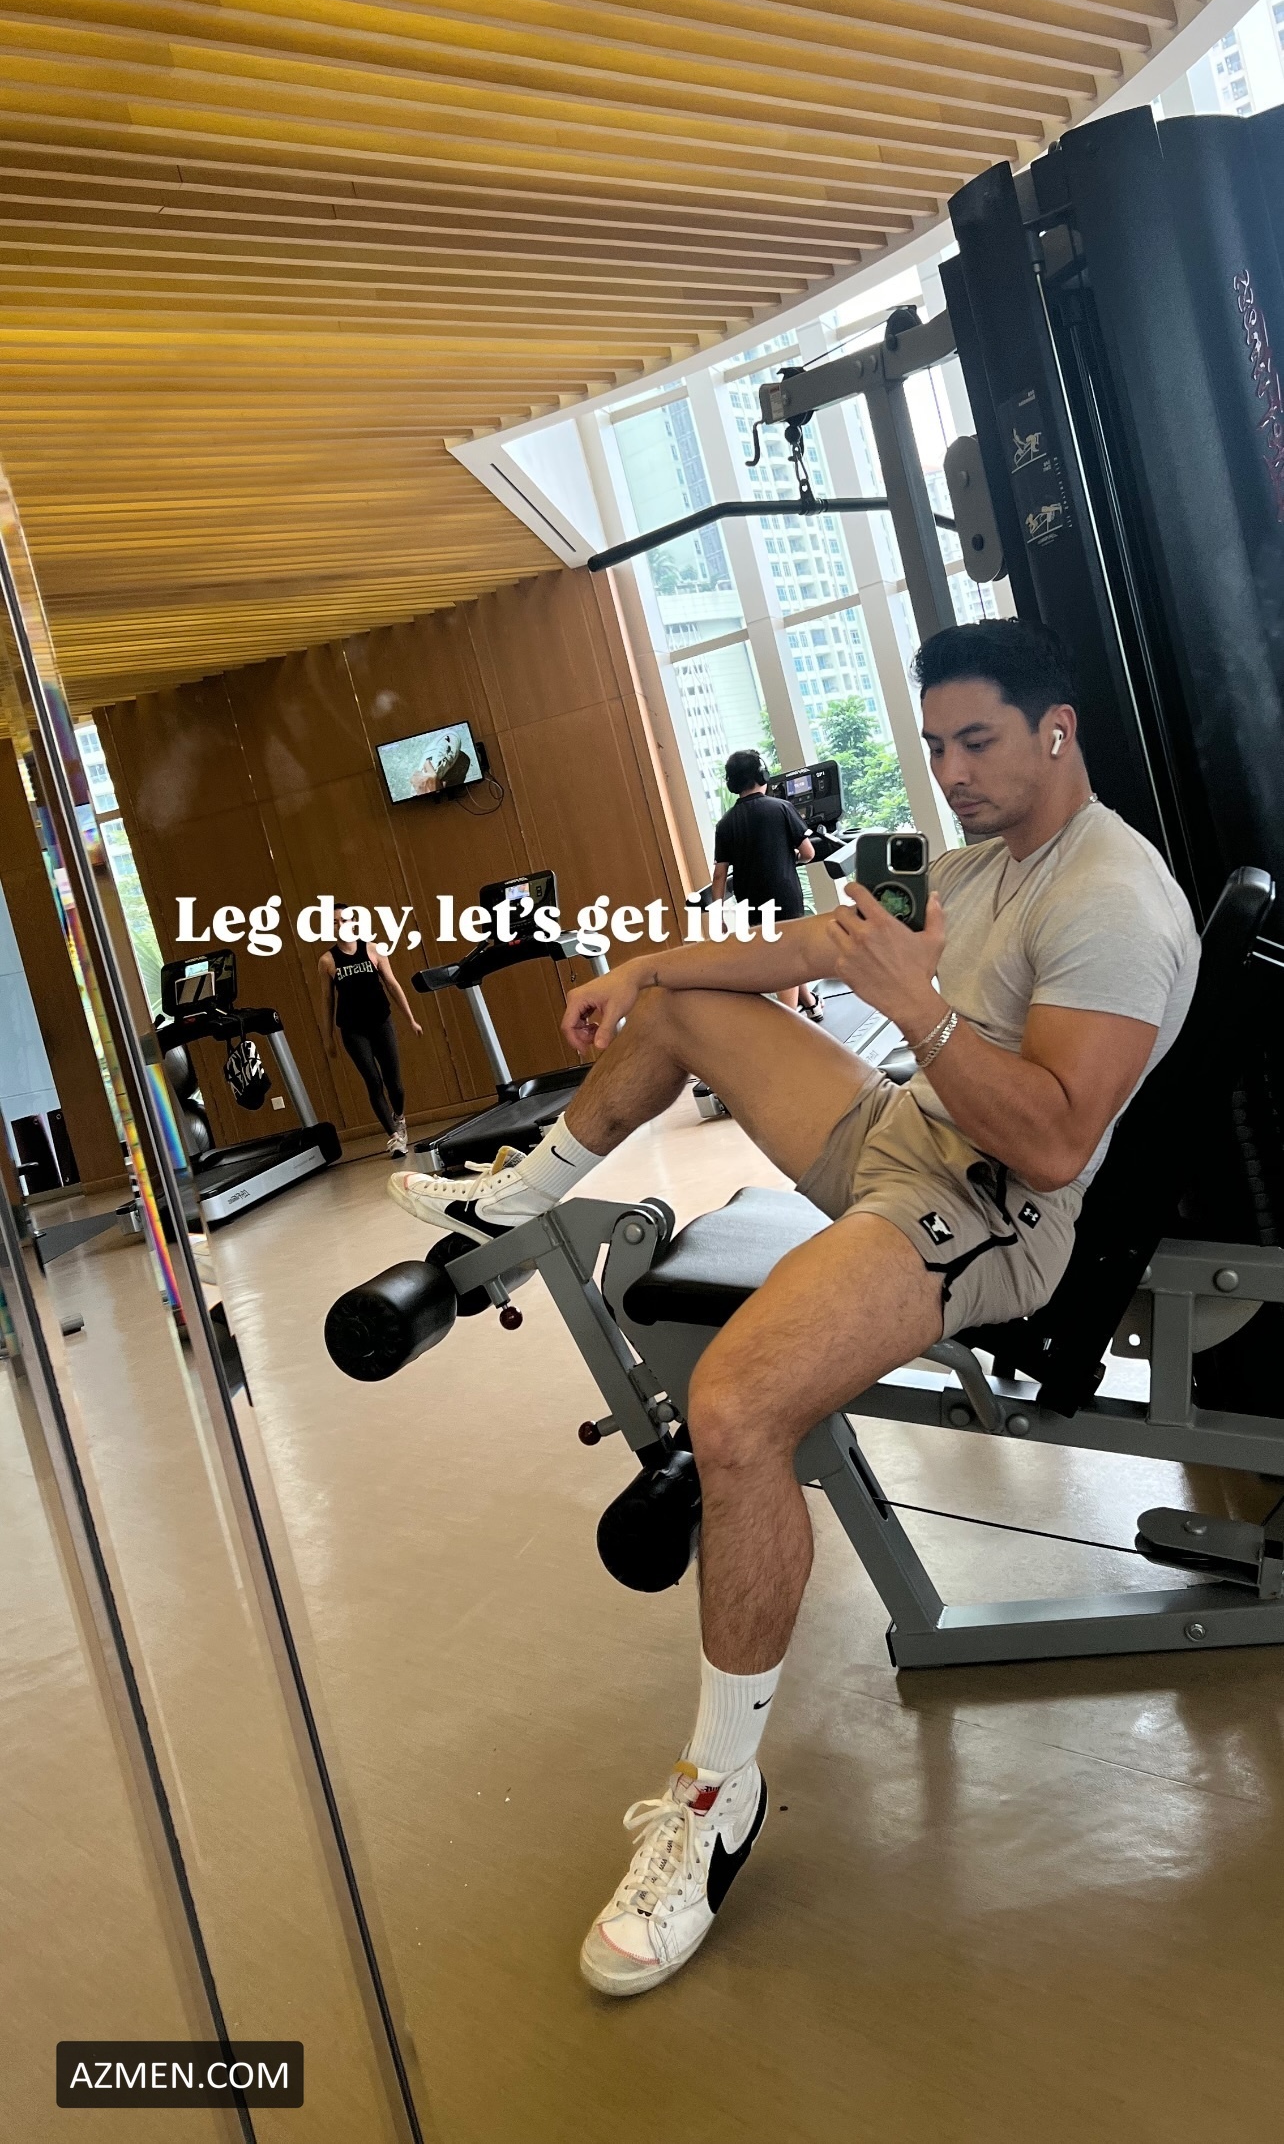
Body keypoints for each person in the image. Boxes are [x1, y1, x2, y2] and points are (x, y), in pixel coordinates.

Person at [387, 619, 1199, 1998]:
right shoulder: (984, 861)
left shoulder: (1112, 898)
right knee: (679, 1010)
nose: (950, 769)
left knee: (734, 1406)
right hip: (907, 1130)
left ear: (1056, 729)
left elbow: (1056, 1144)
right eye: (936, 744)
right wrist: (646, 969)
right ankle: (513, 1201)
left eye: (977, 741)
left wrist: (923, 1015)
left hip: (985, 1211)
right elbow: (815, 942)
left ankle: (717, 1799)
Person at [709, 749, 823, 1019]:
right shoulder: (781, 807)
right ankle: (790, 1022)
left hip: (751, 902)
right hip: (784, 895)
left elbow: (719, 875)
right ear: (763, 775)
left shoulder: (725, 824)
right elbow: (808, 853)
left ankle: (810, 1004)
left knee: (780, 954)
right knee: (787, 958)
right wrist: (791, 856)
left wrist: (717, 916)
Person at [320, 911, 422, 1156]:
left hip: (381, 1022)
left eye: (344, 920)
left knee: (394, 1083)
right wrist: (328, 1037)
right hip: (352, 1030)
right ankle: (394, 1138)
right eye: (334, 922)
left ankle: (399, 1117)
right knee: (373, 1082)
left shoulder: (374, 949)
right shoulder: (327, 961)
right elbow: (327, 1000)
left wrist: (410, 1019)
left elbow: (392, 984)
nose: (340, 925)